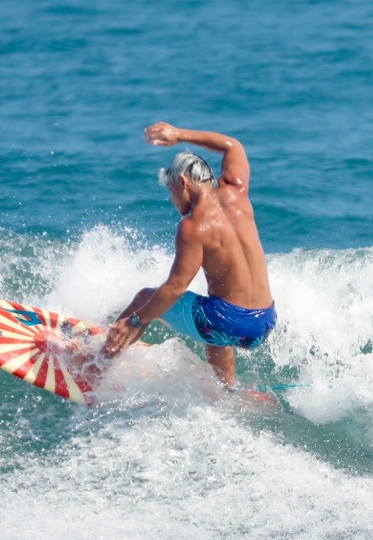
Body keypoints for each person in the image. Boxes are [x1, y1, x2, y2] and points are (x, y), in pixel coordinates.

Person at [102, 123, 276, 387]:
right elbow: (232, 145)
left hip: (228, 324)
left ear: (183, 182)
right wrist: (179, 135)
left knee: (145, 298)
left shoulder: (193, 226)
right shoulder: (238, 192)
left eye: (170, 189)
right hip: (263, 324)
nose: (172, 199)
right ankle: (226, 389)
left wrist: (136, 321)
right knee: (214, 318)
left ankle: (97, 364)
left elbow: (175, 287)